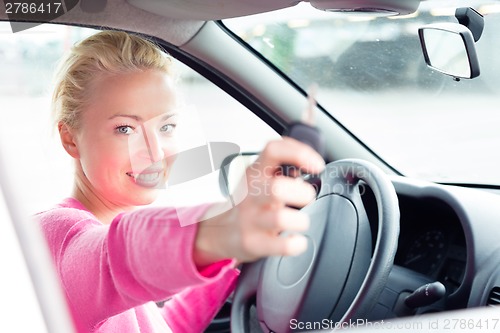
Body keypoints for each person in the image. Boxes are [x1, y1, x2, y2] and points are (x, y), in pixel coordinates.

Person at [35, 30, 325, 333]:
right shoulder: (55, 237)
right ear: (70, 139)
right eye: (125, 129)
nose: (155, 152)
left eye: (166, 126)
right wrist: (225, 225)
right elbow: (118, 254)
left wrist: (233, 252)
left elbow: (163, 326)